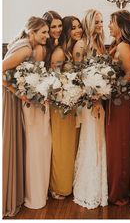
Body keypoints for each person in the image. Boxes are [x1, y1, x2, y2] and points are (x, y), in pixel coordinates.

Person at [2, 17, 49, 216]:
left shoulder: (26, 44)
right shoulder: (27, 49)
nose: (46, 36)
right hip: (12, 97)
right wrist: (19, 93)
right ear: (32, 33)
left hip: (14, 95)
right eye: (43, 32)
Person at [73, 9, 108, 209]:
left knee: (99, 139)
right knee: (91, 139)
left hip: (99, 99)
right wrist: (93, 98)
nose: (100, 25)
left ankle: (100, 184)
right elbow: (79, 76)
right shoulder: (81, 45)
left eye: (102, 21)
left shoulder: (100, 44)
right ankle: (89, 188)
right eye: (96, 22)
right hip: (89, 101)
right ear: (88, 23)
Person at [43, 12, 78, 200]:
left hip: (69, 103)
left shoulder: (62, 48)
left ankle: (66, 182)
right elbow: (54, 78)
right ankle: (58, 186)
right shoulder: (58, 52)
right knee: (61, 145)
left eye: (58, 27)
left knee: (67, 145)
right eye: (53, 27)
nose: (56, 30)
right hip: (61, 104)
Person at [105, 10, 130, 206]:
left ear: (121, 25)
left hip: (121, 102)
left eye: (111, 22)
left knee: (120, 145)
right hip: (114, 101)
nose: (109, 26)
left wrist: (111, 88)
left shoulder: (123, 46)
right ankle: (113, 187)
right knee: (113, 146)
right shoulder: (117, 44)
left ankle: (119, 192)